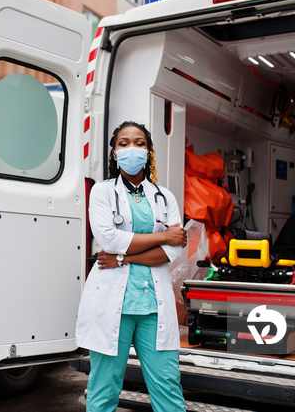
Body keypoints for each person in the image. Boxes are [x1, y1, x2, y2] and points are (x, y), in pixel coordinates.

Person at [76, 121, 187, 411]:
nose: (131, 149)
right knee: (104, 388)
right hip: (114, 303)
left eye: (139, 143)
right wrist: (163, 235)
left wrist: (124, 258)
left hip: (153, 307)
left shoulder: (164, 197)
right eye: (124, 143)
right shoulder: (102, 192)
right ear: (114, 153)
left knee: (168, 388)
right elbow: (110, 239)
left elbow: (172, 252)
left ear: (148, 152)